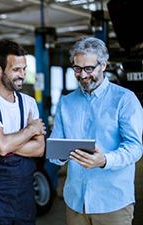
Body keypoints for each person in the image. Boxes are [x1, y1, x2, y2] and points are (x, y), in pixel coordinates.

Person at [50, 37, 143, 225]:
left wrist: (105, 160)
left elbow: (135, 148)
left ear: (103, 65)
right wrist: (58, 154)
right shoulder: (66, 102)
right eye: (77, 68)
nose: (83, 75)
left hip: (112, 203)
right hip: (75, 202)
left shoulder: (125, 99)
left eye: (89, 69)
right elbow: (55, 149)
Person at [0, 39, 46, 225]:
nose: (22, 75)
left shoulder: (28, 103)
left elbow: (39, 149)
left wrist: (3, 144)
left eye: (24, 69)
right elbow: (2, 147)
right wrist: (30, 130)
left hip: (24, 192)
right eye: (16, 70)